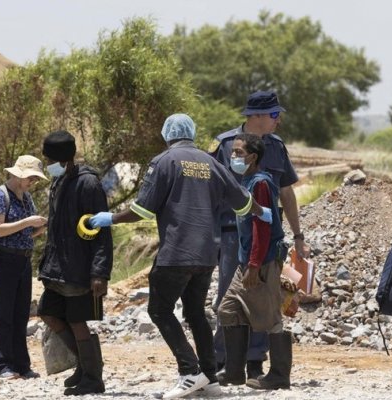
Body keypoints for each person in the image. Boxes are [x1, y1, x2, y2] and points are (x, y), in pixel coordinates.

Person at [89, 113, 272, 399]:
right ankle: (210, 378)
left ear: (168, 134)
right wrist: (264, 213)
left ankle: (189, 371)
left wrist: (109, 218)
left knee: (159, 311)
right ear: (191, 132)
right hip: (207, 254)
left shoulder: (163, 162)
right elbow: (244, 202)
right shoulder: (211, 162)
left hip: (176, 252)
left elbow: (143, 210)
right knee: (196, 313)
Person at [210, 90, 309, 378]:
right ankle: (225, 359)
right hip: (232, 234)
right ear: (255, 116)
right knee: (229, 298)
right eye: (274, 115)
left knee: (264, 297)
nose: (278, 121)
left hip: (266, 237)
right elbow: (209, 188)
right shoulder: (225, 144)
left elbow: (287, 193)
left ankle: (255, 361)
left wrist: (299, 236)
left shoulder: (277, 147)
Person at [37, 130, 113, 396]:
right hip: (57, 267)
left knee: (78, 320)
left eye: (49, 159)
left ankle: (93, 377)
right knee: (48, 312)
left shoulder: (88, 183)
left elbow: (102, 231)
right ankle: (84, 364)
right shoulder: (60, 182)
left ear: (62, 159)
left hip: (80, 267)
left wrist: (100, 272)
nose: (47, 164)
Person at [215, 133, 292, 390]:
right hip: (245, 260)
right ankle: (235, 371)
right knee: (228, 310)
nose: (233, 156)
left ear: (253, 157)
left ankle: (280, 375)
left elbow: (262, 227)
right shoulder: (246, 181)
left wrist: (255, 265)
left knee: (270, 317)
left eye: (238, 152)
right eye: (233, 152)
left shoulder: (259, 183)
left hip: (262, 261)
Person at [0, 155, 48, 379]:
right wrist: (28, 222)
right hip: (3, 261)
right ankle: (2, 365)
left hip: (23, 260)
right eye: (30, 177)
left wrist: (39, 227)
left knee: (21, 314)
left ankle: (22, 364)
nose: (33, 181)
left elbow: (26, 234)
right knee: (5, 315)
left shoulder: (26, 197)